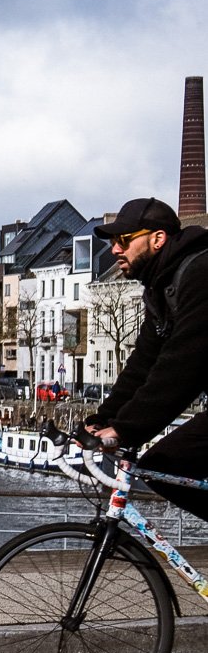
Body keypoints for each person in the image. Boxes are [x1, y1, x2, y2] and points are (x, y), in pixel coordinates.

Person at [86, 196, 208, 520]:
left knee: (168, 461)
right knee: (159, 466)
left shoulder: (200, 272)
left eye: (123, 240)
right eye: (113, 242)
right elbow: (145, 362)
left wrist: (124, 429)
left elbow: (182, 366)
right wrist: (102, 417)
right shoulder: (160, 288)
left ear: (157, 238)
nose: (115, 249)